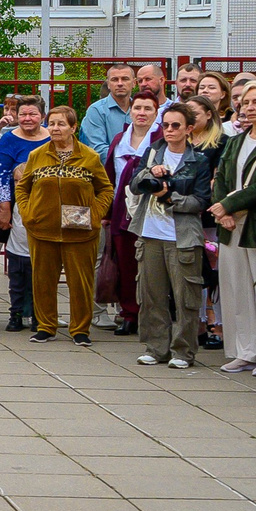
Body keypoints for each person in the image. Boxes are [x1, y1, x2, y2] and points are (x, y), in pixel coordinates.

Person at [12, 102, 115, 345]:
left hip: (80, 231)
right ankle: (46, 326)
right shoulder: (37, 156)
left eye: (61, 124)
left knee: (80, 281)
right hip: (42, 228)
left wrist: (94, 215)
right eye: (52, 124)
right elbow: (22, 187)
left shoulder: (89, 157)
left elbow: (106, 190)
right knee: (43, 280)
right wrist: (28, 214)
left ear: (73, 127)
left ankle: (80, 329)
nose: (55, 128)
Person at [129, 102, 213, 368]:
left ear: (189, 129)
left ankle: (183, 351)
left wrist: (169, 196)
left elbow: (200, 201)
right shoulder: (154, 151)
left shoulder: (198, 160)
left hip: (183, 237)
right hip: (150, 233)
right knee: (151, 295)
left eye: (176, 125)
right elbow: (133, 184)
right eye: (165, 125)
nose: (169, 130)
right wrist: (148, 172)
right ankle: (156, 347)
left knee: (185, 297)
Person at [207, 81, 256, 374]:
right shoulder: (235, 140)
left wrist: (230, 205)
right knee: (236, 289)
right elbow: (220, 176)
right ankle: (245, 350)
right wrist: (222, 209)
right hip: (229, 224)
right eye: (246, 102)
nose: (248, 108)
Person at [101, 92, 159, 338]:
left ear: (156, 113)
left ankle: (152, 314)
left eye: (148, 108)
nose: (142, 113)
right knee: (124, 265)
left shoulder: (161, 140)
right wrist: (106, 212)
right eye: (138, 108)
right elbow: (109, 176)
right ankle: (128, 313)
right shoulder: (119, 139)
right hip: (121, 210)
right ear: (131, 111)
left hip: (151, 211)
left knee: (150, 267)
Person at [0, 97, 47, 331]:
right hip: (16, 208)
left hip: (47, 208)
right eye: (23, 114)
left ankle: (40, 314)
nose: (27, 119)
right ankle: (16, 313)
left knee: (42, 265)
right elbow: (0, 174)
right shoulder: (8, 140)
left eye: (33, 114)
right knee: (18, 265)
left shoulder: (52, 138)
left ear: (42, 116)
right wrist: (4, 208)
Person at [79, 62, 138, 158]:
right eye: (114, 80)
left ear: (134, 83)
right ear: (108, 84)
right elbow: (98, 149)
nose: (120, 83)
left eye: (125, 79)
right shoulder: (96, 110)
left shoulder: (141, 110)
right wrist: (128, 163)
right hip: (109, 170)